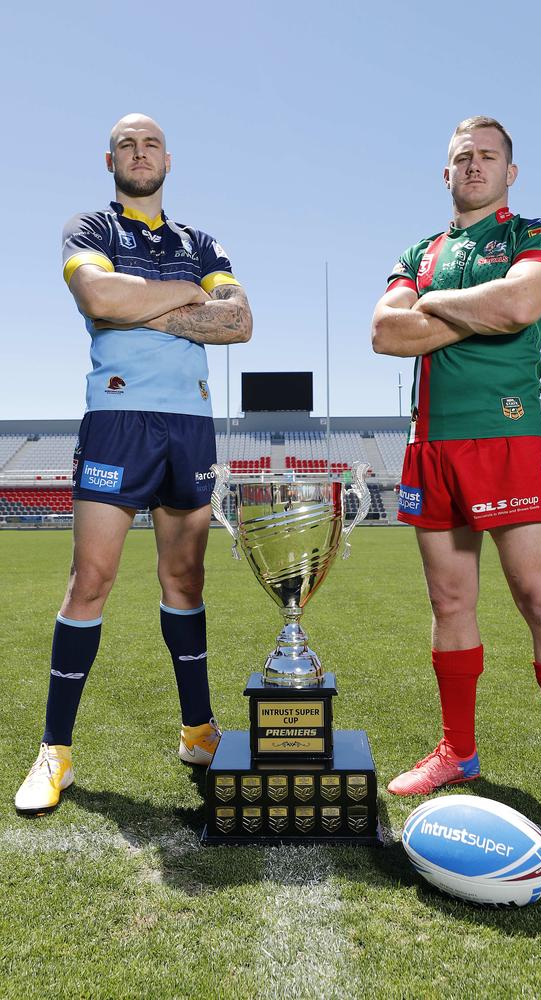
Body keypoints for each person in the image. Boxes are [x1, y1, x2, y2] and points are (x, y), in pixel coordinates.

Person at [372, 116, 541, 833]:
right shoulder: (420, 249)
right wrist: (474, 311)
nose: (474, 166)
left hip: (508, 434)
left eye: (487, 156)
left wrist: (434, 306)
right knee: (451, 604)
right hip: (432, 445)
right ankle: (458, 749)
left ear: (511, 172)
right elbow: (386, 332)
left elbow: (518, 302)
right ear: (445, 174)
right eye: (461, 158)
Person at [15, 113, 252, 813]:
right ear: (110, 159)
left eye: (150, 144)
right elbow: (98, 296)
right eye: (127, 144)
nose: (139, 153)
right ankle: (55, 749)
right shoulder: (89, 230)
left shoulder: (199, 241)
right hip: (118, 421)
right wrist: (188, 294)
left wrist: (138, 304)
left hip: (190, 425)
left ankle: (197, 729)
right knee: (91, 580)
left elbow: (238, 321)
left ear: (169, 160)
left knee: (185, 576)